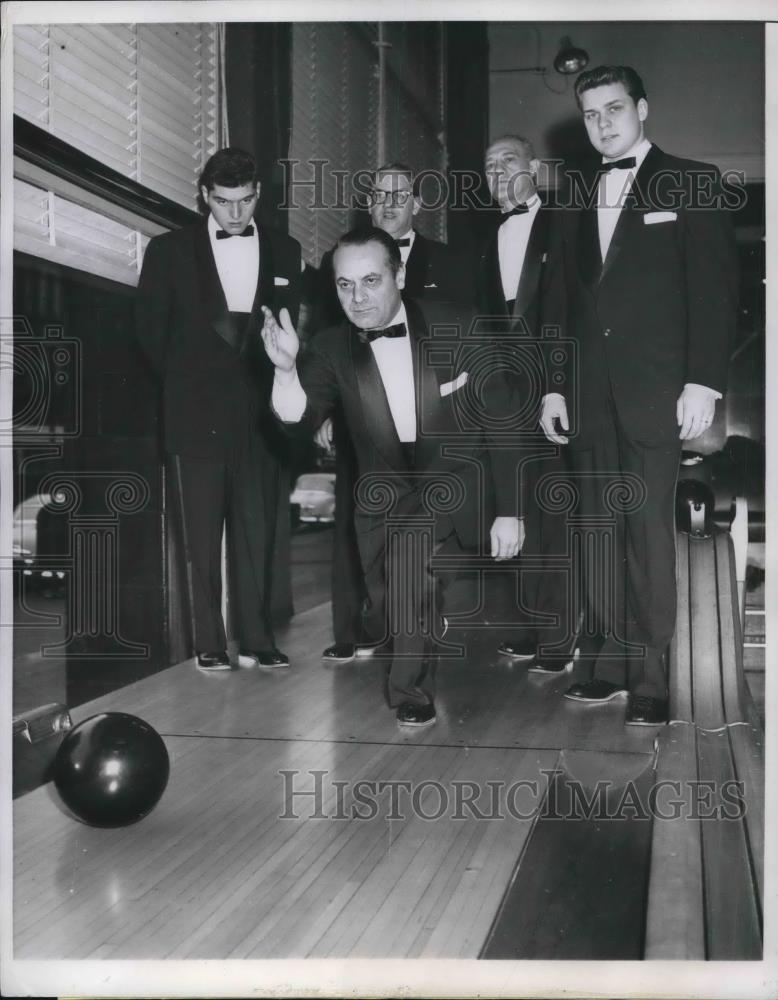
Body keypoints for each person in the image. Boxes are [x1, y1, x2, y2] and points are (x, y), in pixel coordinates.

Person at [539, 66, 737, 725]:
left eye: (614, 108)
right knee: (597, 531)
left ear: (643, 109)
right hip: (587, 394)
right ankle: (605, 664)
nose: (602, 123)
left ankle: (653, 676)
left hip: (657, 393)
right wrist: (553, 390)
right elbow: (559, 305)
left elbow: (714, 293)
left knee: (646, 534)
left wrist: (704, 381)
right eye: (591, 113)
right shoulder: (569, 196)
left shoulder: (693, 181)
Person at [264, 227, 523, 727]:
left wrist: (511, 510)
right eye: (344, 286)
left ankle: (411, 693)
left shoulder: (460, 325)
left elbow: (503, 422)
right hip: (383, 495)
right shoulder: (330, 346)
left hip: (454, 483)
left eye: (371, 280)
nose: (357, 298)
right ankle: (419, 622)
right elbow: (297, 418)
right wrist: (284, 372)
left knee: (409, 575)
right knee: (388, 606)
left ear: (400, 275)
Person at [136, 147, 302, 672]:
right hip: (195, 411)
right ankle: (208, 641)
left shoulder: (286, 248)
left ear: (259, 195)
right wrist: (191, 385)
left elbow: (287, 330)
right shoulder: (167, 251)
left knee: (257, 531)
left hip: (259, 416)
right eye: (225, 202)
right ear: (205, 195)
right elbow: (150, 335)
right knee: (201, 538)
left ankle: (258, 638)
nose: (237, 213)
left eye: (247, 201)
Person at [316, 162, 474, 665]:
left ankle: (414, 634)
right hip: (366, 420)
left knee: (415, 556)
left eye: (397, 195)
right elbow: (332, 350)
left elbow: (469, 343)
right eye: (377, 196)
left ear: (416, 203)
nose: (387, 204)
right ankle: (370, 622)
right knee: (369, 537)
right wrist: (325, 409)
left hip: (431, 429)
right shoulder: (340, 263)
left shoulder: (452, 263)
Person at [476, 134, 578, 673]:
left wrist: (555, 386)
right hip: (505, 388)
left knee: (553, 512)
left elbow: (566, 310)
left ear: (535, 169)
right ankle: (535, 628)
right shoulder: (487, 237)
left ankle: (559, 639)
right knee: (516, 504)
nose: (498, 173)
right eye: (490, 167)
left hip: (553, 385)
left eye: (508, 161)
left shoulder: (564, 222)